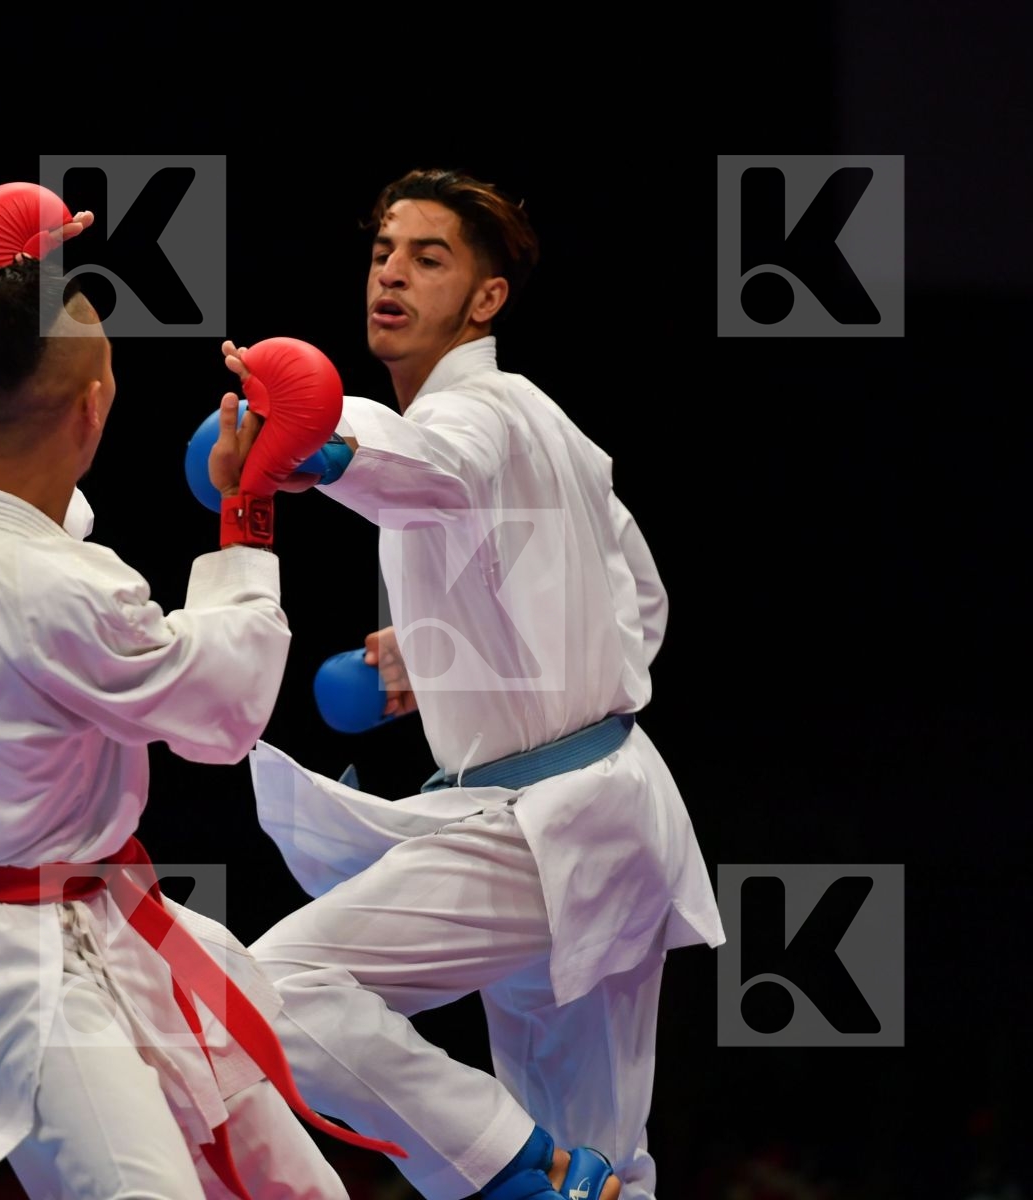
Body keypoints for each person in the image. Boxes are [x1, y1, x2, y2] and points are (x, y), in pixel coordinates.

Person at [0, 182, 397, 1199]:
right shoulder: (65, 591)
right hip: (25, 976)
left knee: (301, 1189)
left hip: (92, 917)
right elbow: (223, 711)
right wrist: (247, 509)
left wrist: (21, 283)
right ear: (95, 407)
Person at [237, 168, 726, 1200]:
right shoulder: (553, 427)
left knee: (280, 985)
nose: (392, 275)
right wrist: (459, 653)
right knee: (609, 1172)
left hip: (547, 829)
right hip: (609, 811)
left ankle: (512, 1162)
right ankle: (545, 1168)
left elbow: (432, 466)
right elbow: (639, 599)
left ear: (486, 298)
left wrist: (318, 448)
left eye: (429, 258)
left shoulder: (480, 413)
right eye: (383, 253)